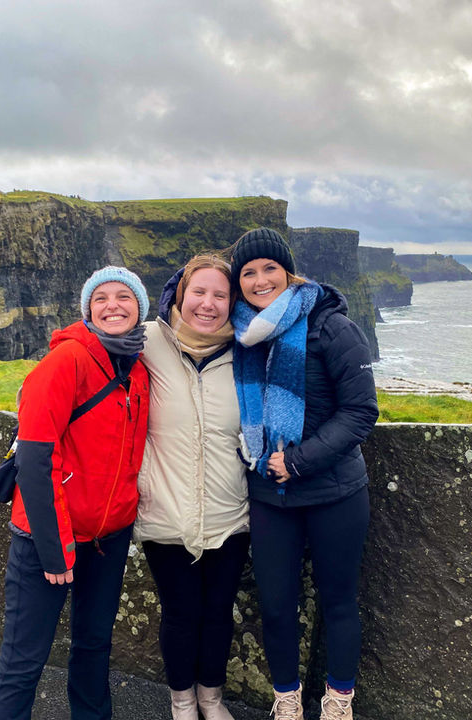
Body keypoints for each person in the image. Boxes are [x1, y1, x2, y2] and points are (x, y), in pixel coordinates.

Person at [0, 266, 151, 720]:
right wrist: (55, 550)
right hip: (47, 538)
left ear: (140, 309)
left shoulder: (137, 367)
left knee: (94, 645)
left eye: (124, 297)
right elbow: (36, 461)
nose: (113, 305)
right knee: (22, 661)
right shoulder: (66, 361)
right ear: (87, 310)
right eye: (101, 298)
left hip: (107, 537)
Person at [228, 229, 378, 720]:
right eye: (248, 272)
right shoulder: (240, 333)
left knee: (339, 601)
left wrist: (297, 460)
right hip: (270, 496)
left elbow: (360, 411)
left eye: (270, 268)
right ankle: (286, 700)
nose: (260, 280)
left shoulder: (332, 327)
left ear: (288, 271)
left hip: (335, 492)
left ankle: (338, 703)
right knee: (275, 605)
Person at [136, 255, 249, 720]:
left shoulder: (247, 351)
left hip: (230, 513)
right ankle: (182, 701)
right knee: (180, 613)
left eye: (220, 295)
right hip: (165, 510)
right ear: (180, 295)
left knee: (219, 612)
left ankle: (211, 699)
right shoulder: (146, 341)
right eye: (199, 292)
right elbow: (83, 356)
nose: (208, 304)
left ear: (232, 302)